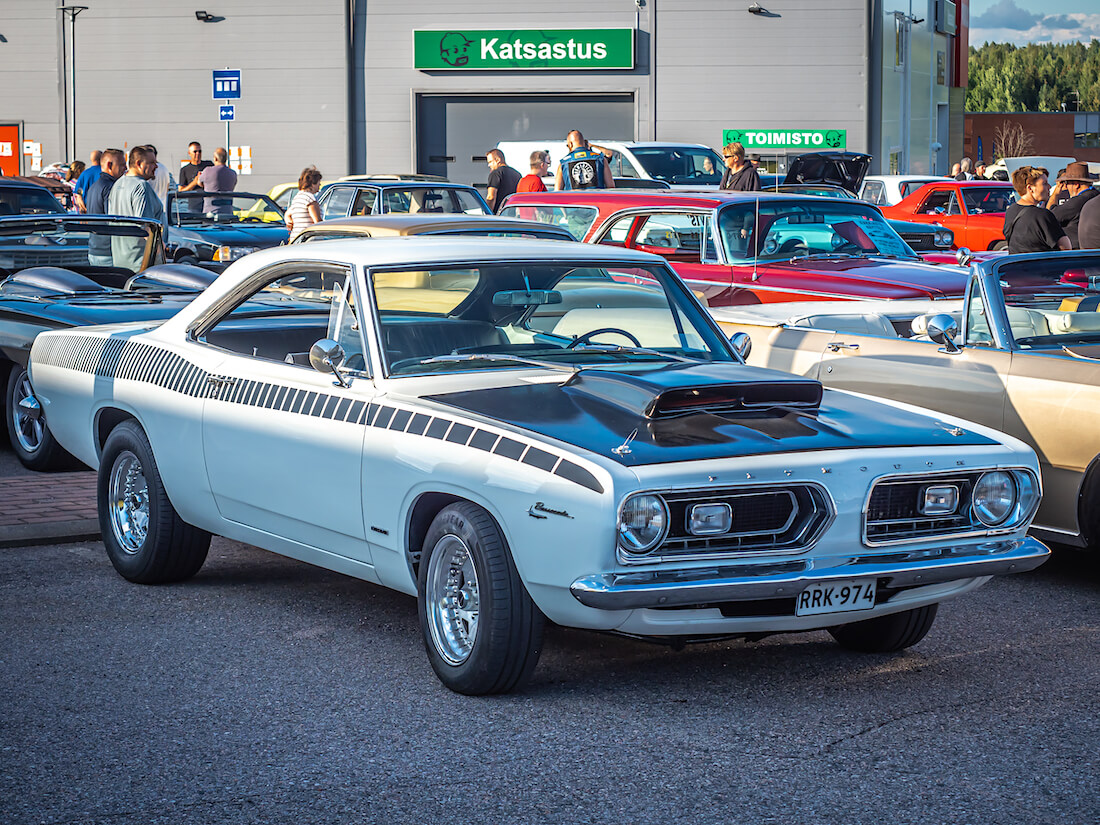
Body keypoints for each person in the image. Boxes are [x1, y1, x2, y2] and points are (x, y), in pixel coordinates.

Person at [108, 146, 164, 271]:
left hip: (120, 261)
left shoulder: (117, 184)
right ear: (139, 163)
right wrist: (161, 250)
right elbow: (146, 227)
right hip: (141, 263)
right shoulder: (141, 186)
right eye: (151, 163)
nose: (156, 166)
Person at [1002, 166, 1071, 254]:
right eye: (1044, 183)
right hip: (1040, 266)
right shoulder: (1042, 215)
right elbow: (1066, 248)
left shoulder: (1010, 211)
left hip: (1016, 265)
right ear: (1030, 188)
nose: (1049, 187)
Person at [84, 149, 126, 266]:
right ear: (109, 165)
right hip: (108, 251)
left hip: (94, 248)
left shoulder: (94, 186)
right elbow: (114, 219)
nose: (125, 168)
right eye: (122, 164)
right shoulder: (111, 187)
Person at [1045, 163, 1099, 248]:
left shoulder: (1078, 201)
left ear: (1076, 184)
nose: (1065, 186)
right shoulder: (1095, 195)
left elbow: (1050, 216)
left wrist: (1055, 194)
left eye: (1067, 183)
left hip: (1075, 251)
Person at [285, 166, 322, 242]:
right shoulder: (310, 199)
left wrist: (291, 224)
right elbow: (317, 222)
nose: (320, 185)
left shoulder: (297, 198)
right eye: (319, 183)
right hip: (308, 240)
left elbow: (287, 215)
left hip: (295, 238)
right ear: (312, 184)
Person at [197, 147, 237, 213]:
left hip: (211, 213)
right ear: (226, 159)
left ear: (215, 158)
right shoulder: (233, 173)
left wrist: (200, 176)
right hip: (228, 213)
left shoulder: (207, 171)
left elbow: (199, 182)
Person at [485, 149, 522, 213]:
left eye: (490, 162)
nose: (489, 165)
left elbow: (491, 197)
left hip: (499, 214)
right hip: (512, 213)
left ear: (498, 160)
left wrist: (488, 213)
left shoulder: (495, 174)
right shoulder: (517, 174)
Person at [144, 144, 173, 210]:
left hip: (151, 206)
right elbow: (167, 187)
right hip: (164, 205)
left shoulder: (149, 169)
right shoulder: (164, 168)